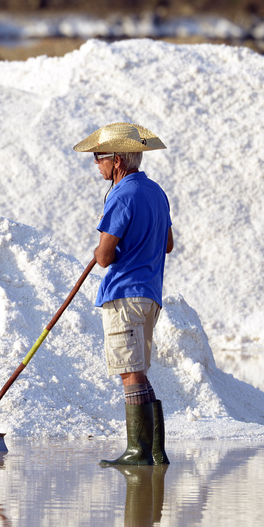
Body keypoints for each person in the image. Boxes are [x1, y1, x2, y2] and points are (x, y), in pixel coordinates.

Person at [73, 122, 173, 467]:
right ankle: (155, 451)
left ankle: (137, 451)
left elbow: (103, 257)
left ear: (117, 160)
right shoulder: (156, 192)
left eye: (99, 158)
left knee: (129, 373)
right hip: (150, 295)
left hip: (124, 295)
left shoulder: (121, 194)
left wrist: (111, 251)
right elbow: (169, 244)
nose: (96, 164)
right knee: (139, 369)